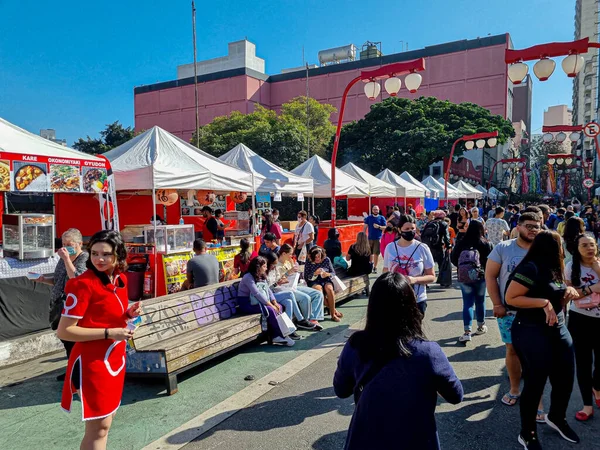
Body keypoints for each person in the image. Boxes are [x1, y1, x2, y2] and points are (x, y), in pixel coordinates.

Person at [333, 272, 463, 450]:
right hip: (416, 439)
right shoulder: (428, 352)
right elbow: (456, 395)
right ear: (412, 306)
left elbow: (341, 390)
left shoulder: (356, 344)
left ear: (372, 307)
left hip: (366, 439)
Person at [57, 230, 142, 450]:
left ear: (118, 255)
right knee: (100, 426)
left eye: (106, 254)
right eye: (94, 253)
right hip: (91, 363)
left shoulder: (120, 279)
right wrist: (109, 332)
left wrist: (129, 314)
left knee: (108, 418)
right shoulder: (82, 285)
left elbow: (112, 315)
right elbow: (65, 332)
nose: (99, 259)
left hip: (114, 359)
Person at [505, 231, 579, 448]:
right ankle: (527, 433)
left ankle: (557, 418)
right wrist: (543, 303)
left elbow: (558, 288)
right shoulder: (531, 268)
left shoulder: (554, 267)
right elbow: (511, 298)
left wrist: (569, 290)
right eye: (560, 244)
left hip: (558, 329)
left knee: (565, 379)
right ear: (553, 246)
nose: (563, 249)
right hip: (531, 331)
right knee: (535, 384)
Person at [485, 212, 546, 416]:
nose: (533, 230)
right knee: (512, 350)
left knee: (535, 355)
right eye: (528, 225)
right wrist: (496, 303)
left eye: (536, 226)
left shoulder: (544, 248)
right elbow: (491, 276)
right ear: (518, 226)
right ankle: (514, 389)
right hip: (510, 311)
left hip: (538, 310)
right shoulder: (503, 248)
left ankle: (537, 400)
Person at [35, 228, 89, 382]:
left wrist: (66, 259)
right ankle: (72, 370)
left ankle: (78, 373)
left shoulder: (84, 258)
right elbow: (59, 279)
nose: (65, 247)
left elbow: (76, 280)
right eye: (63, 243)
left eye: (69, 244)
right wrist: (43, 279)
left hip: (74, 305)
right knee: (66, 341)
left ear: (79, 244)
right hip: (59, 304)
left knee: (74, 340)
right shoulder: (63, 259)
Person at [564, 233, 600, 422]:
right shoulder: (571, 267)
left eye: (592, 244)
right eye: (584, 245)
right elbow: (570, 294)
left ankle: (597, 387)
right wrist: (592, 289)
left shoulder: (599, 264)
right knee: (584, 363)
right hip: (580, 320)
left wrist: (597, 268)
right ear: (577, 249)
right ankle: (587, 404)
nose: (589, 248)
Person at [383, 214, 435, 316]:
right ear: (399, 230)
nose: (410, 231)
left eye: (413, 228)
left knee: (414, 331)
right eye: (407, 228)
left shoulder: (422, 248)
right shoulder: (390, 248)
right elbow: (385, 270)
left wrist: (414, 280)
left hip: (417, 299)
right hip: (394, 298)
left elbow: (432, 276)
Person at [237, 256, 294, 347]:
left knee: (279, 306)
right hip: (247, 302)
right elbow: (257, 293)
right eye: (264, 266)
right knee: (270, 310)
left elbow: (268, 290)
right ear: (258, 267)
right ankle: (277, 335)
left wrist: (274, 302)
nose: (266, 268)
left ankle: (282, 332)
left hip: (258, 301)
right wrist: (270, 305)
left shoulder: (262, 276)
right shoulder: (248, 277)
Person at [451, 221, 492, 343]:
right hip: (481, 276)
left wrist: (461, 268)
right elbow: (492, 260)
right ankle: (480, 326)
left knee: (468, 303)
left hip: (464, 277)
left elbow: (453, 258)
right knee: (480, 301)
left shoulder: (462, 242)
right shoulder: (485, 243)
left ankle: (467, 331)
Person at [276, 244, 324, 331]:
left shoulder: (287, 261)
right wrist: (288, 273)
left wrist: (294, 268)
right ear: (283, 253)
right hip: (285, 289)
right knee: (306, 298)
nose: (292, 255)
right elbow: (278, 282)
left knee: (318, 294)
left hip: (294, 285)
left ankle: (313, 319)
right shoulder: (277, 265)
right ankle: (304, 321)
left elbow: (293, 274)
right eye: (290, 254)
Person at [264, 252, 312, 336]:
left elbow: (278, 279)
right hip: (270, 295)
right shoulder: (264, 272)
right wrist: (277, 283)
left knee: (289, 301)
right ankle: (300, 319)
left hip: (278, 291)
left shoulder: (274, 269)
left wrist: (282, 280)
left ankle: (289, 328)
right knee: (290, 293)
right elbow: (267, 289)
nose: (274, 267)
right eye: (273, 264)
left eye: (275, 264)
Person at [304, 247, 341, 322]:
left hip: (325, 279)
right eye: (315, 257)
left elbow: (333, 273)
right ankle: (333, 310)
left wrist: (328, 274)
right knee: (319, 291)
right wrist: (314, 273)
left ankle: (332, 315)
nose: (317, 258)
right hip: (313, 281)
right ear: (312, 256)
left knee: (329, 289)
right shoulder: (309, 261)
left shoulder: (326, 259)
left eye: (319, 256)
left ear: (322, 255)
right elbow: (306, 277)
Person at [421, 210, 451, 288]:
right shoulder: (443, 223)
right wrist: (449, 246)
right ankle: (443, 281)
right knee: (441, 263)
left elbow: (423, 234)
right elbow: (446, 236)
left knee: (427, 265)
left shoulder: (429, 223)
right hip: (438, 247)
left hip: (428, 247)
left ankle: (425, 282)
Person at [363, 205, 387, 272]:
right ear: (372, 210)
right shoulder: (369, 218)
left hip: (378, 238)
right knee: (369, 253)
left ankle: (375, 267)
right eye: (374, 209)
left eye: (376, 209)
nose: (375, 210)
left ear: (379, 210)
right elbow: (365, 227)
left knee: (376, 253)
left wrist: (379, 227)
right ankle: (369, 265)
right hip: (369, 238)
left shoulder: (382, 218)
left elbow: (385, 227)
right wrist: (363, 235)